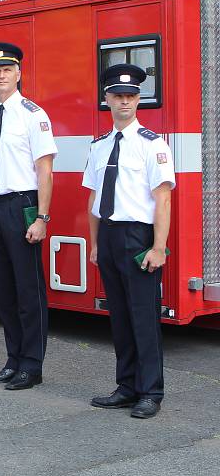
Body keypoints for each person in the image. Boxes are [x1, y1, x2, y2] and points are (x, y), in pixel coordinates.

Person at [83, 64, 175, 419]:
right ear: (106, 100)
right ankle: (126, 386)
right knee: (119, 316)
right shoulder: (100, 145)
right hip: (108, 235)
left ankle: (150, 391)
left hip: (139, 236)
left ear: (139, 100)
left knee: (143, 317)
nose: (125, 103)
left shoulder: (153, 145)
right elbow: (93, 200)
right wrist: (94, 243)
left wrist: (157, 247)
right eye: (118, 97)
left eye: (131, 97)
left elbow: (163, 198)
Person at [0, 42, 57, 390]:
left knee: (28, 289)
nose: (1, 75)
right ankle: (12, 359)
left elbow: (46, 171)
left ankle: (31, 365)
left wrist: (42, 217)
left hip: (21, 204)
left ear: (19, 73)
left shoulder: (33, 115)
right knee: (4, 290)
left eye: (7, 69)